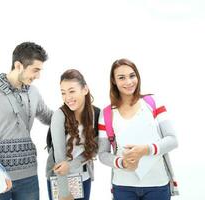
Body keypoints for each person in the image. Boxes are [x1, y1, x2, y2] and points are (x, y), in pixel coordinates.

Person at [0, 42, 53, 200]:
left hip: (29, 177)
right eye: (35, 70)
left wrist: (79, 112)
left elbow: (49, 117)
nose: (38, 76)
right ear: (18, 65)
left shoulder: (34, 93)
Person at [98, 58, 179, 200]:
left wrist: (145, 150)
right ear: (114, 81)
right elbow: (103, 154)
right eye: (121, 78)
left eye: (132, 75)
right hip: (123, 187)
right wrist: (122, 162)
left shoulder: (153, 103)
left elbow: (172, 140)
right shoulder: (106, 114)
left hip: (157, 184)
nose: (129, 82)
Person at [46, 69, 100, 200]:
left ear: (85, 90)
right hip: (59, 179)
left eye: (72, 91)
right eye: (63, 93)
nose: (67, 98)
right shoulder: (59, 116)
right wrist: (64, 193)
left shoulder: (96, 114)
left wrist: (71, 165)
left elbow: (95, 149)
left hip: (83, 177)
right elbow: (59, 160)